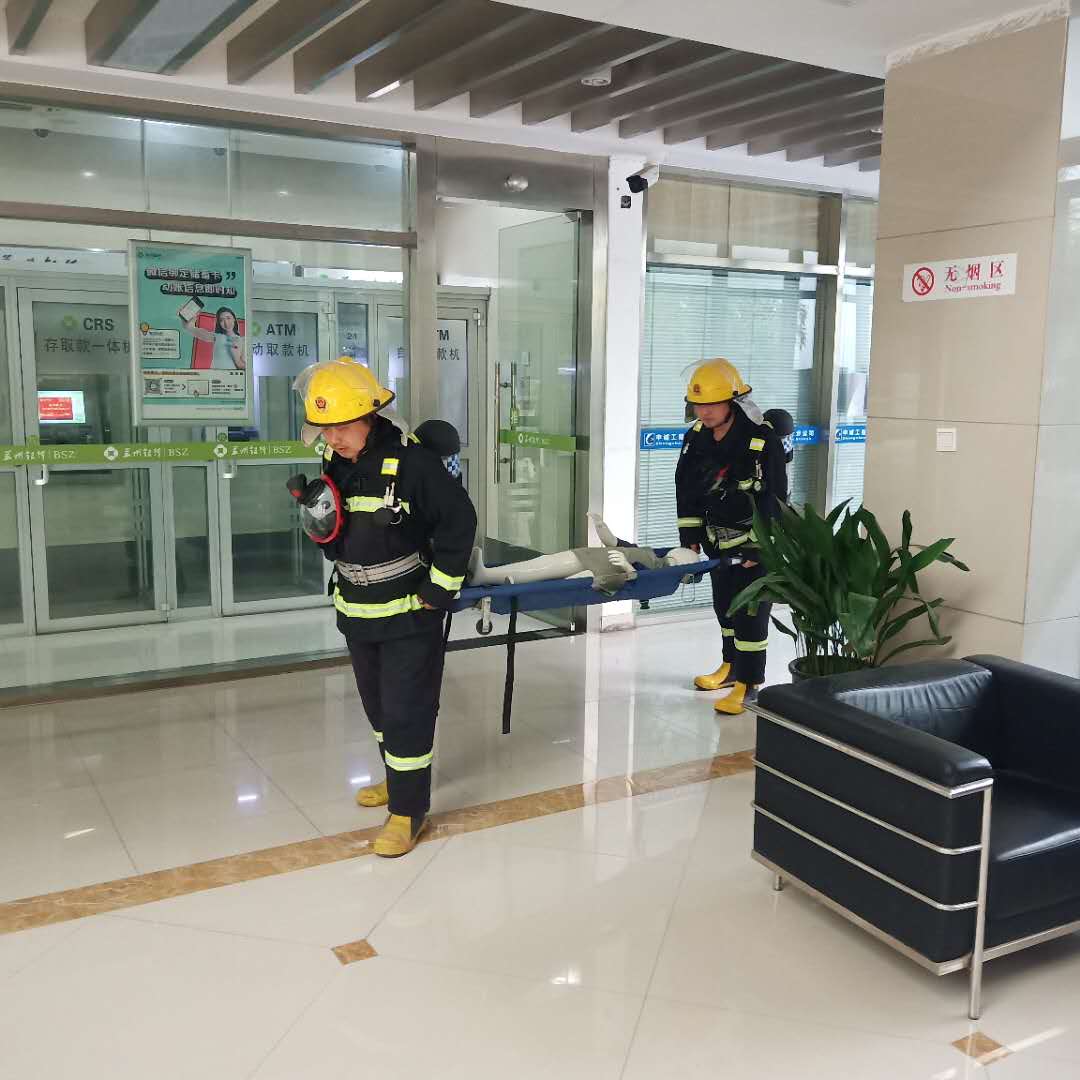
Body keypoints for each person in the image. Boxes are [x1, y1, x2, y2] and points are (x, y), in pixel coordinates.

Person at [290, 357, 477, 857]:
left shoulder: (413, 465)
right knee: (377, 708)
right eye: (324, 428)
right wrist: (319, 520)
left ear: (369, 416)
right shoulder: (337, 463)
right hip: (357, 610)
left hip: (410, 612)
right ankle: (397, 781)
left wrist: (439, 591)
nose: (332, 438)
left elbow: (459, 522)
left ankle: (409, 811)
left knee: (405, 710)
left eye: (341, 426)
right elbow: (341, 533)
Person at [675, 359, 788, 716]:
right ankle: (730, 667)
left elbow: (775, 498)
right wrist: (690, 534)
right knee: (724, 607)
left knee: (750, 615)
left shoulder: (761, 439)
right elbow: (686, 488)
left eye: (712, 404)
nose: (703, 412)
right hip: (716, 540)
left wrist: (762, 546)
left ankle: (749, 683)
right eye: (698, 405)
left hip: (753, 543)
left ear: (733, 401)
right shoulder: (696, 437)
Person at [180, 305, 245, 369]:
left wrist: (236, 358)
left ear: (234, 319)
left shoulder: (242, 340)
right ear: (219, 323)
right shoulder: (218, 337)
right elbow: (191, 329)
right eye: (221, 320)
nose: (226, 323)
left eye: (228, 318)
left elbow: (245, 367)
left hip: (231, 375)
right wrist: (188, 324)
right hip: (214, 374)